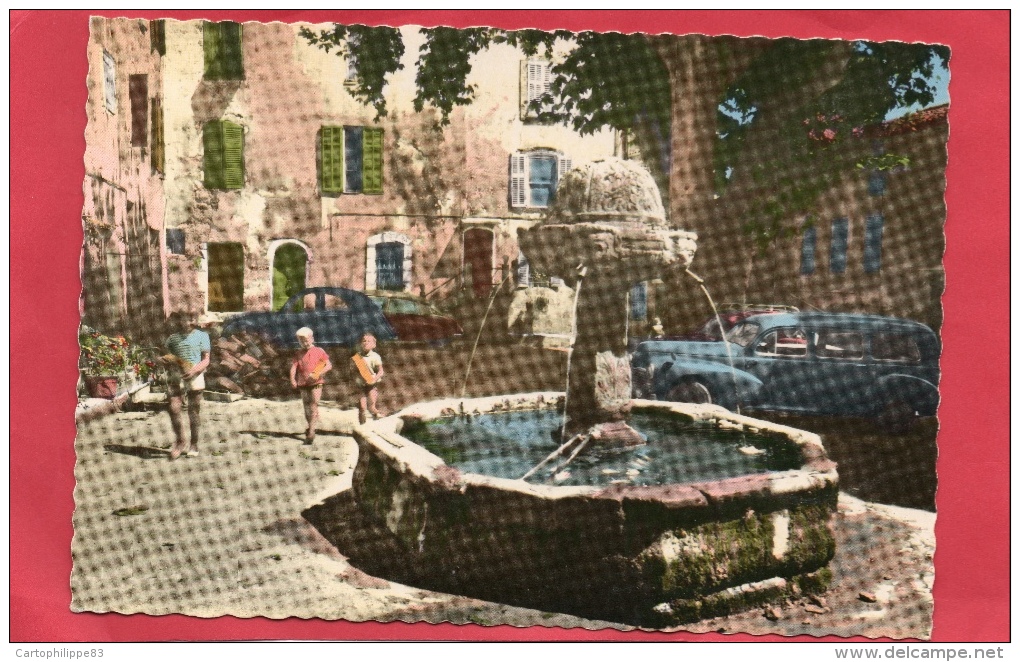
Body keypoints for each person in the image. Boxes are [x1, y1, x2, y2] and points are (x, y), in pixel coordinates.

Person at [162, 311, 211, 460]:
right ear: (179, 320)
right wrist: (164, 360)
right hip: (177, 376)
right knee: (173, 408)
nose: (190, 321)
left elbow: (206, 360)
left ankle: (194, 444)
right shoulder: (172, 338)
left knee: (193, 411)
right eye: (186, 318)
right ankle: (180, 441)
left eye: (193, 318)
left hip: (195, 375)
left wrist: (195, 370)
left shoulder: (202, 336)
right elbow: (167, 356)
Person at [289, 327, 332, 444]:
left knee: (313, 405)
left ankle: (311, 432)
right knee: (306, 407)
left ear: (312, 338)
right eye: (301, 340)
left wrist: (318, 373)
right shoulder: (298, 353)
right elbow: (294, 367)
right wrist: (292, 379)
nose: (304, 342)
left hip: (316, 383)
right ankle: (311, 426)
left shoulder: (319, 351)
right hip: (303, 383)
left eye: (306, 339)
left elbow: (328, 365)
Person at [352, 332, 384, 424]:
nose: (366, 343)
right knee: (362, 407)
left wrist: (374, 379)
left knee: (371, 407)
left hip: (372, 385)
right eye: (364, 341)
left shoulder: (376, 357)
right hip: (361, 385)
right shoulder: (357, 357)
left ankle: (378, 418)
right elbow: (354, 371)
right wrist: (357, 380)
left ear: (374, 344)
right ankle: (362, 425)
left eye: (369, 341)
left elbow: (381, 371)